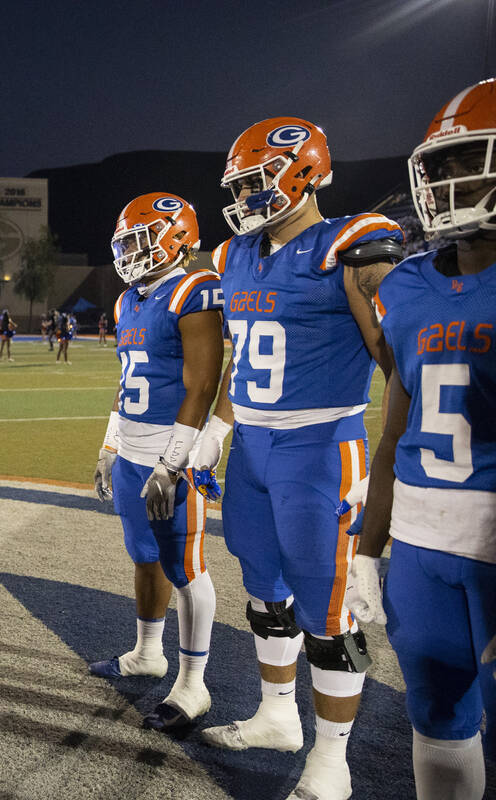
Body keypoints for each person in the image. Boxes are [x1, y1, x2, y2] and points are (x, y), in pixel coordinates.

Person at [191, 117, 404, 800]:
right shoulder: (232, 256)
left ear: (303, 173)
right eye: (241, 185)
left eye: (258, 181)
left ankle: (331, 761)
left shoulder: (345, 243)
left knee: (329, 610)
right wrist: (217, 430)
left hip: (319, 449)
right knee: (265, 592)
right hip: (251, 450)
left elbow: (400, 350)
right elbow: (242, 358)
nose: (248, 196)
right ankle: (278, 717)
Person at [347, 78, 496, 800]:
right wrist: (366, 552)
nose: (442, 182)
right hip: (422, 544)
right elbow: (394, 432)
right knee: (438, 719)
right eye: (437, 166)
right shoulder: (406, 286)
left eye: (466, 161)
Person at [91, 193, 224, 735]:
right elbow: (128, 382)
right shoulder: (128, 301)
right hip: (131, 453)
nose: (129, 252)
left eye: (139, 239)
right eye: (125, 242)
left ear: (174, 237)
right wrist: (109, 444)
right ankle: (149, 653)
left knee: (186, 567)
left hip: (174, 455)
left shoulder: (194, 289)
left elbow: (203, 384)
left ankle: (194, 684)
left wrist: (173, 464)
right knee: (144, 557)